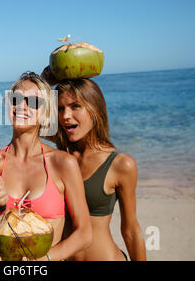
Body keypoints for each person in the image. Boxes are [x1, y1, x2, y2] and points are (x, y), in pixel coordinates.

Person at [0, 72, 92, 261]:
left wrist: (44, 259)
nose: (22, 106)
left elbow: (85, 234)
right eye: (16, 99)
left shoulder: (62, 163)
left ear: (46, 112)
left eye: (33, 102)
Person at [41, 67, 146, 261]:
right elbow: (29, 115)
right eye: (61, 108)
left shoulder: (121, 165)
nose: (65, 116)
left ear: (94, 109)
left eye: (75, 106)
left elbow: (131, 230)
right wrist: (44, 81)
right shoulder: (63, 153)